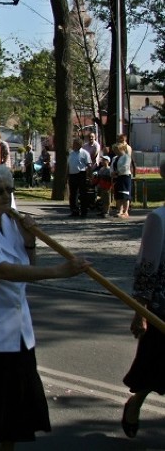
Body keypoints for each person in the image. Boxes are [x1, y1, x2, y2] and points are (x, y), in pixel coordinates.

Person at [0, 164, 90, 449]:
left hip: (17, 330)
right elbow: (4, 271)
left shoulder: (10, 222)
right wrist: (60, 271)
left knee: (15, 411)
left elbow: (27, 266)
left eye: (9, 190)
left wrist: (29, 242)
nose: (6, 196)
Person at [120, 161, 165, 439]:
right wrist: (141, 311)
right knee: (154, 369)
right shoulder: (159, 219)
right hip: (163, 310)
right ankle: (135, 402)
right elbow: (147, 268)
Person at [67, 138, 92, 218]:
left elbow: (89, 165)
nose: (73, 145)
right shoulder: (71, 153)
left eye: (74, 144)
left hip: (81, 174)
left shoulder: (85, 153)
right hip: (72, 175)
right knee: (73, 194)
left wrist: (89, 175)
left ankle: (84, 211)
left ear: (79, 145)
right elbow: (69, 165)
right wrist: (67, 175)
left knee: (82, 193)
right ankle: (74, 210)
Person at [112, 142, 132, 218]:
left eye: (116, 150)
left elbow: (125, 166)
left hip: (125, 177)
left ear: (121, 149)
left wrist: (117, 171)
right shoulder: (115, 158)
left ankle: (125, 211)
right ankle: (120, 211)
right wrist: (112, 173)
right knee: (118, 195)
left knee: (125, 194)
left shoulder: (126, 157)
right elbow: (112, 166)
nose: (115, 151)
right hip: (118, 177)